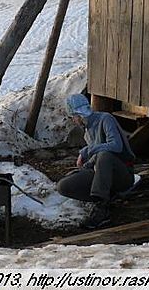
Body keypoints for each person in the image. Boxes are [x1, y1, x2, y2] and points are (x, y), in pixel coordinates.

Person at [57, 93, 136, 229]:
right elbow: (96, 156)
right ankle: (104, 196)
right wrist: (85, 164)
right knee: (64, 185)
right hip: (103, 175)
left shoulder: (105, 119)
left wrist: (88, 150)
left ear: (79, 114)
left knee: (105, 155)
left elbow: (116, 146)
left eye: (73, 117)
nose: (73, 120)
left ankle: (102, 209)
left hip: (123, 175)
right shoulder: (87, 132)